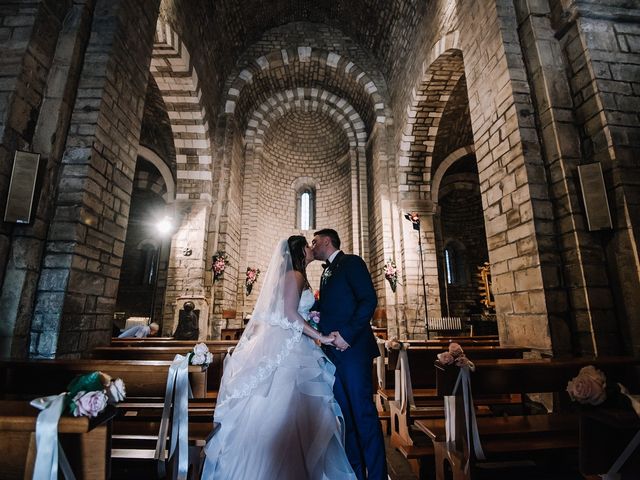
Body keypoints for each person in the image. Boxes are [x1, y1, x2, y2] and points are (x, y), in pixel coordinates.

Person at [201, 236, 356, 480]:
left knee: (290, 411)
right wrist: (320, 336)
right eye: (307, 246)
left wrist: (313, 322)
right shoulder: (295, 275)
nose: (310, 249)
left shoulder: (290, 277)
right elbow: (291, 315)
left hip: (291, 342)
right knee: (291, 409)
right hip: (293, 348)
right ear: (298, 251)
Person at [312, 228, 388, 480]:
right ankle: (356, 473)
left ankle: (376, 475)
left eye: (315, 241)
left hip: (353, 351)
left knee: (363, 415)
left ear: (326, 241)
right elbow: (334, 305)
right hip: (333, 354)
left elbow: (368, 300)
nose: (313, 246)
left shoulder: (351, 262)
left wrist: (346, 334)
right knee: (345, 417)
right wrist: (317, 314)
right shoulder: (326, 273)